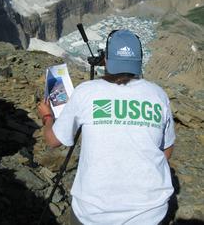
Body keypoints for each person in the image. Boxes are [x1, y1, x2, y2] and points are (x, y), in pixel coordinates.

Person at [37, 29, 175, 225]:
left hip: (93, 215)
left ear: (106, 60)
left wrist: (47, 116)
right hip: (149, 215)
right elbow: (166, 151)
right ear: (139, 60)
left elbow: (52, 141)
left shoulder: (86, 92)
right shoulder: (158, 95)